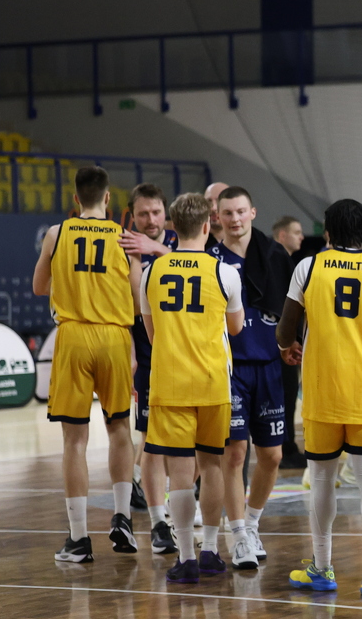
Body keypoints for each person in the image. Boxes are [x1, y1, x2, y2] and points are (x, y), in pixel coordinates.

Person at [276, 199, 362, 596]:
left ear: (327, 232)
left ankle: (322, 567)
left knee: (322, 481)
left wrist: (288, 346)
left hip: (322, 390)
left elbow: (285, 331)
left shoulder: (309, 266)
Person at [33, 165, 139, 564]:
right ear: (108, 198)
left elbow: (39, 287)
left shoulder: (57, 233)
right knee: (119, 430)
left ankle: (79, 538)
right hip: (114, 337)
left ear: (76, 198)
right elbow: (138, 298)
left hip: (74, 336)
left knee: (74, 441)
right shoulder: (123, 238)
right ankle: (123, 516)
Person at [139, 193, 245, 583]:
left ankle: (185, 557)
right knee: (212, 466)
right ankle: (211, 551)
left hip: (170, 382)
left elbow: (151, 333)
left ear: (172, 226)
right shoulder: (225, 272)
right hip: (213, 381)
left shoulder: (152, 271)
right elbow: (236, 327)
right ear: (207, 225)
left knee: (180, 473)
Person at [212, 186, 292, 571]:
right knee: (234, 453)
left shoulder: (275, 256)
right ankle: (239, 534)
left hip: (271, 367)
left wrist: (294, 342)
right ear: (218, 217)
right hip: (231, 369)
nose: (235, 219)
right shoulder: (211, 260)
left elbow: (295, 307)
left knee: (273, 456)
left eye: (241, 211)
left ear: (253, 212)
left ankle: (253, 523)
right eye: (228, 213)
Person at [119, 183, 178, 554]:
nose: (151, 219)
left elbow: (202, 268)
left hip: (184, 350)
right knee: (150, 431)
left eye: (156, 212)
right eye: (143, 213)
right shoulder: (123, 247)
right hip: (146, 349)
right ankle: (157, 511)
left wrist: (157, 250)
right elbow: (132, 301)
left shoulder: (178, 241)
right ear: (132, 215)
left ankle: (170, 497)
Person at [271, 214, 308, 470]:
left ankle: (287, 446)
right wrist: (289, 340)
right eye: (296, 232)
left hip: (286, 341)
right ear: (282, 235)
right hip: (278, 343)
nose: (302, 237)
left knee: (288, 393)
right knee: (283, 393)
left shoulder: (286, 261)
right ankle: (284, 447)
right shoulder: (276, 261)